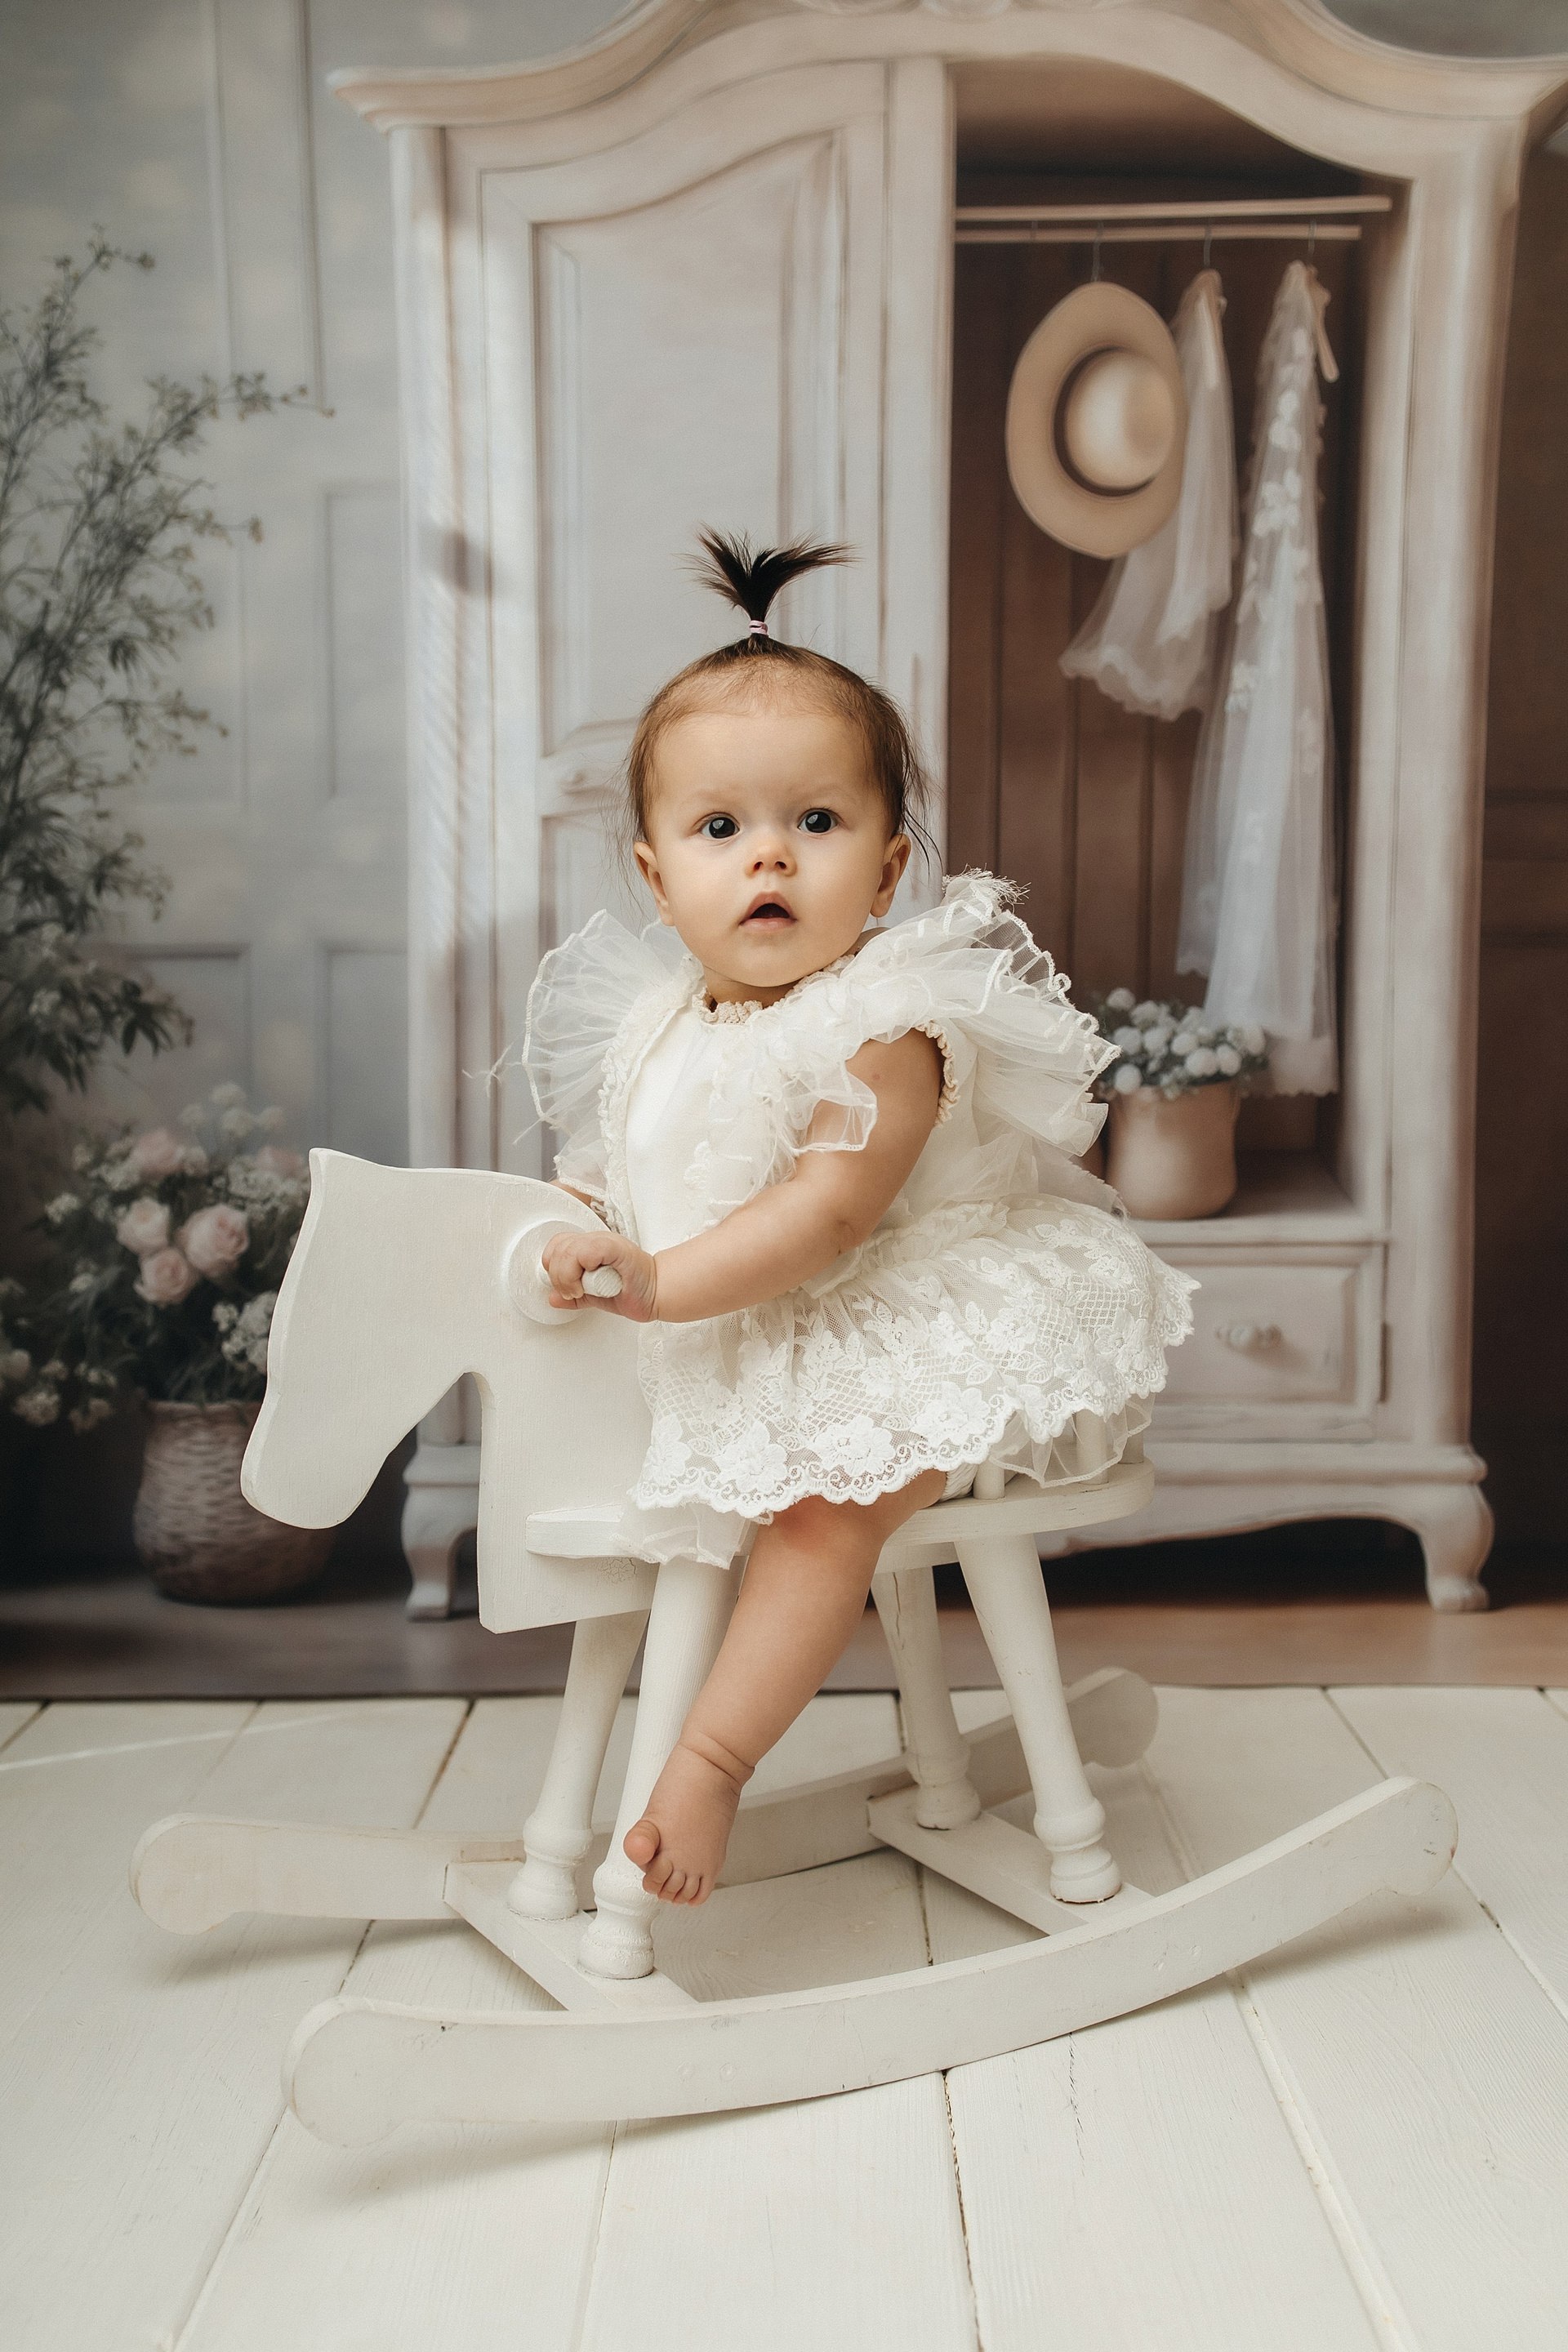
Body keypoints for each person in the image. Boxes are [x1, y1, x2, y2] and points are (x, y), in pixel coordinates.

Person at [522, 531, 1195, 1909]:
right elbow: (633, 1163)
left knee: (825, 1515)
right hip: (743, 1317)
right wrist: (586, 1225)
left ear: (887, 874)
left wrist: (658, 1283)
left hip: (916, 1318)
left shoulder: (888, 1027)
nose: (769, 854)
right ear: (656, 876)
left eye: (816, 824)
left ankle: (712, 1760)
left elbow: (829, 1216)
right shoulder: (656, 1020)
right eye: (720, 830)